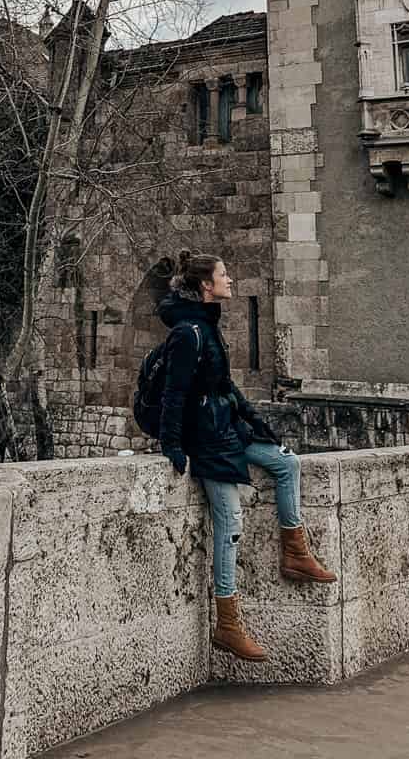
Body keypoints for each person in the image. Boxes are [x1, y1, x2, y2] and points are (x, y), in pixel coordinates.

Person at [158, 250, 336, 662]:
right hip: (208, 440)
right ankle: (228, 623)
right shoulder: (188, 332)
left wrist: (258, 424)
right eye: (224, 274)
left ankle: (296, 552)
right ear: (206, 285)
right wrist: (172, 445)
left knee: (287, 462)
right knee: (231, 521)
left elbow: (226, 388)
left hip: (228, 429)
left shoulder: (207, 326)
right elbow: (174, 393)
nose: (231, 279)